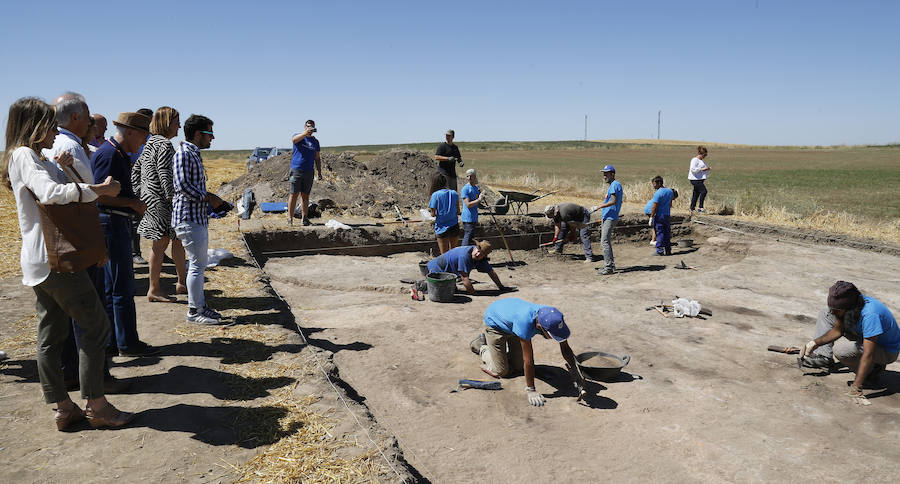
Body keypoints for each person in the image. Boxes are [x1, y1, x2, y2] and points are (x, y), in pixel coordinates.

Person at [3, 97, 134, 429]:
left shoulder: (32, 157)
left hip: (41, 260)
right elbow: (51, 194)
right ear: (35, 126)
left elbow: (60, 188)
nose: (54, 132)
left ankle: (63, 407)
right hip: (55, 259)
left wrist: (66, 169)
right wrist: (98, 189)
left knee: (52, 333)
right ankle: (96, 405)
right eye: (50, 125)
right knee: (95, 325)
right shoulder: (24, 155)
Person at [43, 92, 127, 393]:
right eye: (88, 115)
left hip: (67, 240)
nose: (91, 121)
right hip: (79, 239)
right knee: (91, 314)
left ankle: (71, 373)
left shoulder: (64, 146)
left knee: (69, 315)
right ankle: (96, 381)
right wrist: (96, 245)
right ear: (76, 117)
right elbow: (84, 200)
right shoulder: (70, 146)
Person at [91, 112, 157, 357]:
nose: (144, 141)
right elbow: (100, 196)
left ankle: (113, 342)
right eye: (143, 136)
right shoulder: (109, 155)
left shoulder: (114, 153)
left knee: (113, 288)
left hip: (113, 223)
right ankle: (127, 343)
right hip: (112, 223)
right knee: (122, 288)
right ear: (130, 132)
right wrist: (132, 203)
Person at [469, 298, 585, 407]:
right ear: (539, 326)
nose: (552, 338)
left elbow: (565, 347)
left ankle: (500, 353)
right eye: (551, 335)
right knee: (502, 371)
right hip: (495, 325)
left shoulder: (553, 317)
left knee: (519, 367)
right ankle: (481, 346)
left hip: (512, 324)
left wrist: (575, 370)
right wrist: (531, 389)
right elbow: (528, 359)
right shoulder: (525, 322)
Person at [798, 281, 899, 398]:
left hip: (885, 350)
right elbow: (838, 330)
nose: (833, 312)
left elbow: (868, 353)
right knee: (825, 314)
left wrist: (857, 386)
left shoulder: (871, 314)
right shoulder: (852, 303)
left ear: (849, 308)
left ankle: (871, 372)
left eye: (837, 310)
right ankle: (824, 357)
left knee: (842, 350)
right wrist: (815, 343)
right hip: (863, 336)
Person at [173, 114, 227, 325]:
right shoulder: (184, 154)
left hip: (195, 218)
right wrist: (209, 198)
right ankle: (194, 312)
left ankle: (201, 307)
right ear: (198, 134)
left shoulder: (192, 153)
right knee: (196, 266)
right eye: (209, 133)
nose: (212, 138)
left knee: (199, 264)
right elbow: (182, 187)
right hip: (188, 218)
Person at [132, 107, 187, 302]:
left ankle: (181, 283)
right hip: (163, 203)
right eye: (176, 122)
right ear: (167, 123)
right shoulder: (164, 144)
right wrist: (172, 197)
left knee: (175, 241)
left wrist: (142, 194)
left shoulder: (150, 143)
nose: (179, 126)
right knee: (161, 243)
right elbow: (165, 173)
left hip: (153, 201)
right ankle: (154, 289)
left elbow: (135, 171)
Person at [425, 241, 512, 295]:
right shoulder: (464, 255)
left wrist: (501, 287)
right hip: (434, 270)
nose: (478, 254)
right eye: (478, 251)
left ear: (484, 256)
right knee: (441, 293)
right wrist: (473, 293)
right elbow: (464, 278)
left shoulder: (480, 259)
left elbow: (491, 272)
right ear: (475, 248)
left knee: (452, 290)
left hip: (447, 274)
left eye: (482, 254)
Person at [288, 119, 322, 226]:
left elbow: (317, 158)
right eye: (308, 126)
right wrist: (305, 134)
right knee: (294, 194)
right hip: (296, 170)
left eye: (312, 126)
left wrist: (319, 172)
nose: (310, 128)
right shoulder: (298, 136)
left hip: (309, 171)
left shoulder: (315, 142)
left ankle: (304, 218)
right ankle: (290, 218)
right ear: (305, 127)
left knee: (305, 195)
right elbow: (294, 140)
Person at [596, 164, 623, 275]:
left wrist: (599, 206)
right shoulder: (614, 185)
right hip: (609, 216)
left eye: (606, 174)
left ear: (612, 174)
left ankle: (608, 268)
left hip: (610, 217)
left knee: (605, 241)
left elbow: (613, 201)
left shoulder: (614, 185)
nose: (604, 176)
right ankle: (610, 265)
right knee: (605, 241)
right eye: (604, 174)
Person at [428, 172, 461, 254]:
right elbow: (458, 211)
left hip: (441, 227)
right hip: (454, 225)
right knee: (454, 253)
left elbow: (433, 214)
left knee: (444, 255)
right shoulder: (454, 193)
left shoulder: (435, 195)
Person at [648, 176, 677, 256]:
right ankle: (668, 250)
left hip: (659, 215)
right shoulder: (670, 191)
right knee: (667, 233)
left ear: (659, 183)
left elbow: (654, 206)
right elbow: (670, 204)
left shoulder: (658, 193)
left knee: (660, 233)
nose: (653, 186)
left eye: (654, 184)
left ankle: (659, 251)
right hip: (667, 215)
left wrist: (651, 217)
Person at [460, 168, 484, 246]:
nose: (469, 178)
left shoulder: (476, 188)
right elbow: (468, 204)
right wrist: (479, 199)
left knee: (471, 238)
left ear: (475, 176)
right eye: (467, 176)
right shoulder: (466, 189)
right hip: (468, 218)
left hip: (474, 217)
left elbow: (477, 203)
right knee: (467, 237)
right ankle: (463, 251)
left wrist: (482, 200)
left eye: (471, 176)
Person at [688, 145, 710, 213]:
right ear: (701, 154)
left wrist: (707, 169)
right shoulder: (695, 160)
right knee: (704, 191)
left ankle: (692, 208)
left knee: (696, 193)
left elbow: (702, 169)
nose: (705, 156)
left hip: (699, 179)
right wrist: (702, 169)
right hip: (695, 179)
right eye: (704, 155)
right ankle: (701, 207)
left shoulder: (701, 161)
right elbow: (693, 169)